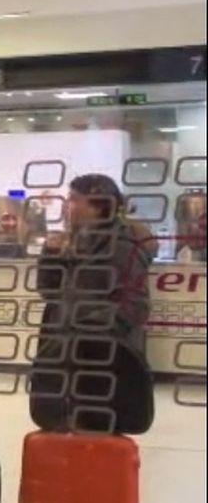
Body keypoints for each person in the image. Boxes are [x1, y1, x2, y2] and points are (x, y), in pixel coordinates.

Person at [31, 173, 154, 431]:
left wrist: (87, 334)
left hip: (99, 363)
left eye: (75, 200)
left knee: (96, 433)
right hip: (65, 358)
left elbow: (134, 305)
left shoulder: (121, 247)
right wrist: (51, 256)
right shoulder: (75, 243)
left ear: (98, 206)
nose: (67, 206)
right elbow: (48, 290)